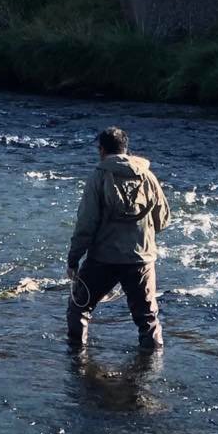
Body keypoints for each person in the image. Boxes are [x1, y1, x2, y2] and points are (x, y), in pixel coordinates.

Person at [66, 126, 171, 350]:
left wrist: (73, 259)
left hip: (103, 259)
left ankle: (77, 361)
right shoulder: (148, 176)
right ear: (126, 149)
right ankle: (151, 370)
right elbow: (162, 219)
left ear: (101, 150)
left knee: (79, 308)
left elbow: (86, 224)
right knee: (147, 319)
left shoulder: (98, 176)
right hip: (141, 259)